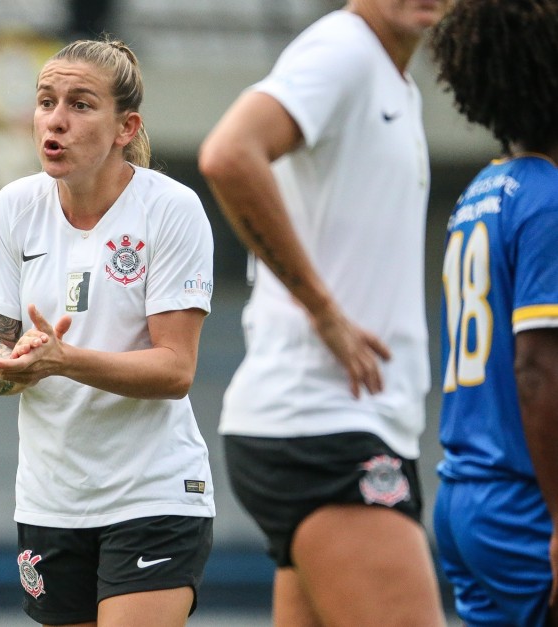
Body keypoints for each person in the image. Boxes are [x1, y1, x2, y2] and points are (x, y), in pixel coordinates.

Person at [198, 1, 448, 625]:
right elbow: (229, 153)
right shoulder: (344, 50)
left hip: (336, 424)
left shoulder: (394, 81)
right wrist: (323, 309)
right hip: (324, 427)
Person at [0, 37, 215, 627]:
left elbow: (175, 370)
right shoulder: (14, 208)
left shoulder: (170, 209)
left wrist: (62, 359)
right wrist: (7, 365)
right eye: (46, 100)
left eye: (80, 104)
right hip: (50, 501)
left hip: (153, 495)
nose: (56, 120)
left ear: (125, 127)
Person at [429, 1, 558, 625]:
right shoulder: (549, 199)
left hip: (463, 494)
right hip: (526, 504)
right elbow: (536, 371)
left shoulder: (481, 191)